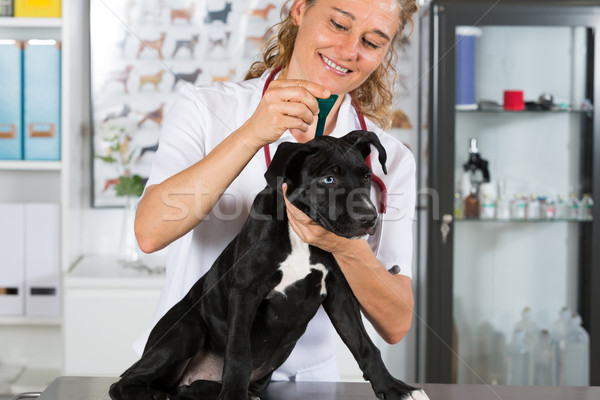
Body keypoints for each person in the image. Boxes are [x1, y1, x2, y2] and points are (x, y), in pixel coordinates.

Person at [134, 0, 419, 382]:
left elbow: (396, 323)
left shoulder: (389, 159)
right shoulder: (206, 108)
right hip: (184, 370)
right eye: (337, 24)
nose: (349, 50)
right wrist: (252, 132)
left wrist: (343, 243)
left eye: (372, 41)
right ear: (299, 10)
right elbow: (150, 233)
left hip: (307, 383)